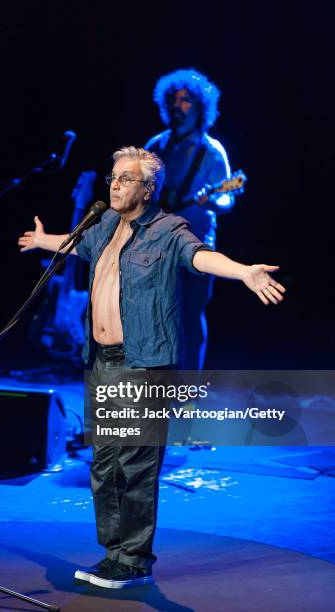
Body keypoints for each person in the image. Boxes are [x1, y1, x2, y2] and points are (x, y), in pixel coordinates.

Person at [18, 147, 285, 589]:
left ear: (148, 188)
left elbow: (200, 256)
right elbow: (79, 245)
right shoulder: (104, 224)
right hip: (100, 361)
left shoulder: (168, 230)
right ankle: (113, 555)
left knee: (136, 466)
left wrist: (243, 273)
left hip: (142, 365)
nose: (115, 184)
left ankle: (135, 561)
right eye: (113, 177)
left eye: (126, 178)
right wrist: (44, 241)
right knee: (104, 464)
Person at [145, 68, 234, 369]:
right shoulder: (156, 145)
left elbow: (227, 198)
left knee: (190, 318)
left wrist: (214, 199)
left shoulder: (212, 151)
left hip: (195, 247)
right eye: (173, 100)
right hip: (155, 246)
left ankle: (188, 392)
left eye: (185, 101)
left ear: (200, 108)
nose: (177, 106)